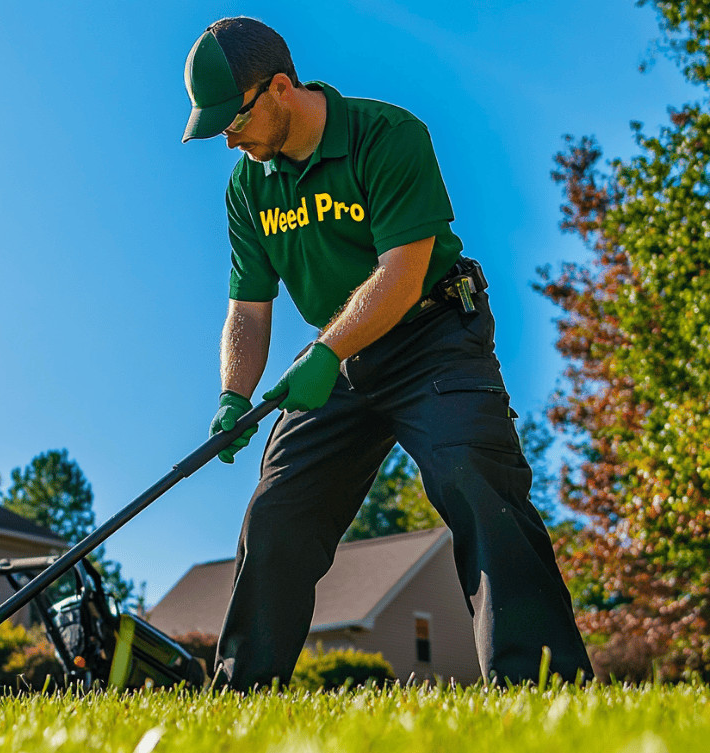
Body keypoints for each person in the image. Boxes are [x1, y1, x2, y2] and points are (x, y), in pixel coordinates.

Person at [181, 16, 593, 689]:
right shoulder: (248, 187)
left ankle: (541, 683)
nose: (227, 137)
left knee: (472, 476)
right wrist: (233, 393)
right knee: (276, 512)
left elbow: (402, 273)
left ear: (279, 86)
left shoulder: (387, 135)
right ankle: (242, 693)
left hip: (435, 338)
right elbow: (249, 311)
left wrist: (323, 352)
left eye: (233, 118)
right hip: (339, 359)